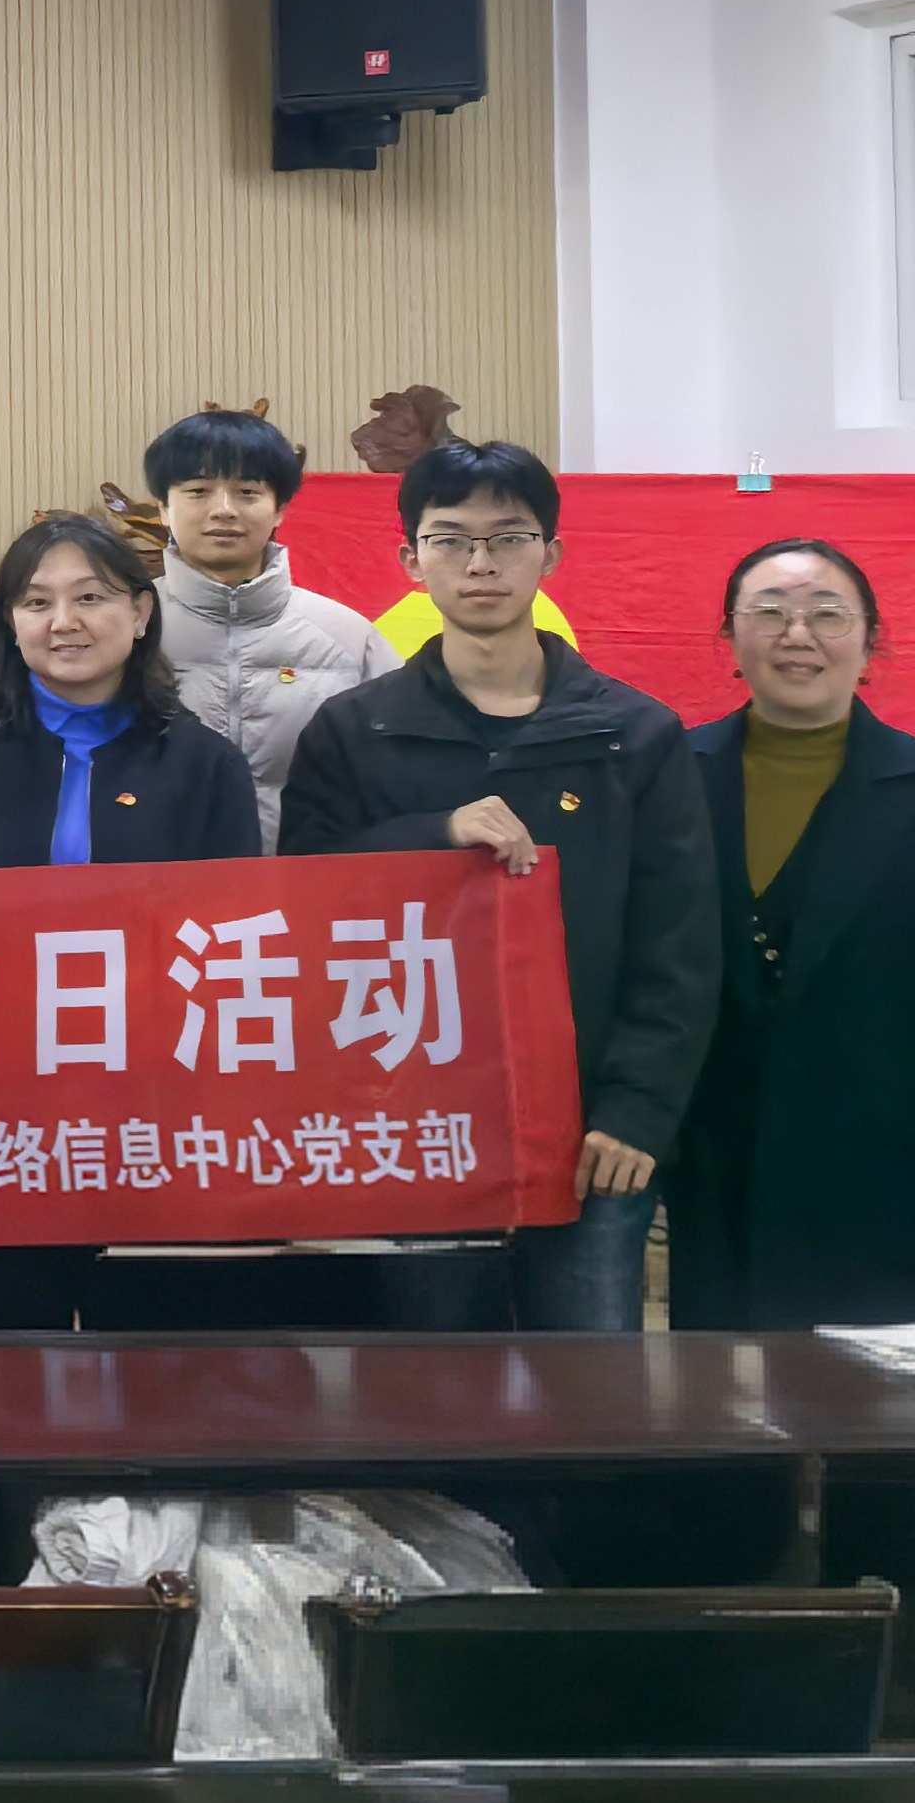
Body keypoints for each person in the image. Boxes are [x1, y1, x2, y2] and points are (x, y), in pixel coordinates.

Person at [282, 440, 717, 1333]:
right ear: (411, 561)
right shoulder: (354, 730)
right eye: (450, 540)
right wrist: (433, 834)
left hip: (590, 1134)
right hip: (417, 1125)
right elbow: (304, 902)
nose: (480, 563)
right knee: (436, 1386)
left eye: (508, 539)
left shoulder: (634, 735)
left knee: (589, 1385)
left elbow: (678, 943)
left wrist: (637, 1112)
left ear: (550, 556)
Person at [0, 514, 260, 1332]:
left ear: (140, 612)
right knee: (8, 1355)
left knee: (153, 1359)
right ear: (11, 623)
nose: (63, 621)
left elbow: (230, 947)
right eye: (36, 602)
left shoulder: (206, 763)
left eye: (90, 597)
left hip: (157, 1115)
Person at [672, 542, 915, 1329]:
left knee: (867, 1389)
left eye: (827, 615)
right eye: (770, 613)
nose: (797, 635)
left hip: (881, 1160)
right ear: (729, 636)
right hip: (713, 1157)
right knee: (714, 1386)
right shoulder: (669, 775)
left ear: (872, 638)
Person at [147, 406, 395, 844]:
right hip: (159, 876)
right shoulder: (125, 628)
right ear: (163, 508)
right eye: (198, 491)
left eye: (247, 492)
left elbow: (395, 772)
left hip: (308, 873)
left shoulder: (349, 638)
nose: (223, 510)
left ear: (280, 509)